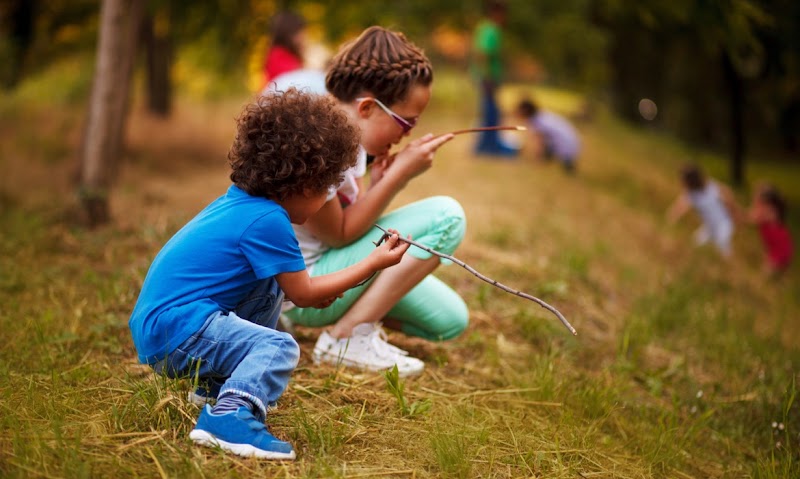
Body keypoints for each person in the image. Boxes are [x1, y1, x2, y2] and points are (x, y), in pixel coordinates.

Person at [127, 89, 411, 460]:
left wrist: (306, 291)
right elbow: (306, 293)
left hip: (166, 325)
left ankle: (215, 390)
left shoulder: (244, 203)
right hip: (177, 328)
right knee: (278, 346)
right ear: (307, 185)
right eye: (328, 189)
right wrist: (372, 263)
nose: (326, 201)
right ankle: (228, 418)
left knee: (270, 288)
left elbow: (292, 289)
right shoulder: (269, 220)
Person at [282, 26, 469, 377]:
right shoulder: (321, 145)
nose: (407, 133)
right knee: (447, 216)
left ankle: (356, 321)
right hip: (307, 288)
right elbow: (339, 235)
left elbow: (340, 219)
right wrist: (399, 176)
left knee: (449, 320)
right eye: (405, 122)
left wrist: (378, 183)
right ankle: (347, 337)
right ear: (367, 107)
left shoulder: (351, 141)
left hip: (331, 274)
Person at [470, 0, 518, 157]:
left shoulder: (484, 27)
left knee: (490, 111)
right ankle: (488, 147)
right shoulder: (491, 29)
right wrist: (486, 77)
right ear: (498, 13)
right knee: (491, 113)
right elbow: (483, 53)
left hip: (486, 78)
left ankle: (487, 145)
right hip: (488, 79)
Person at [667, 164, 738, 258]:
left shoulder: (710, 186)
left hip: (723, 225)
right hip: (709, 227)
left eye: (683, 180)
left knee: (722, 247)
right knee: (695, 245)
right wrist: (672, 217)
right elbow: (680, 206)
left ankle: (729, 263)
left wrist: (734, 212)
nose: (682, 183)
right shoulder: (692, 194)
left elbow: (727, 193)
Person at [516, 98, 581, 173]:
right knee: (549, 142)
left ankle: (561, 163)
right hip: (574, 143)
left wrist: (537, 159)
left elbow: (540, 142)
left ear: (525, 110)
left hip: (566, 147)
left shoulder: (537, 121)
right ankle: (555, 160)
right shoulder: (543, 115)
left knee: (546, 144)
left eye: (519, 110)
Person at [747, 183, 793, 276]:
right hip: (774, 246)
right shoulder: (766, 211)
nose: (755, 204)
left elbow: (751, 218)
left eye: (757, 201)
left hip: (780, 248)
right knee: (768, 264)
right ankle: (781, 272)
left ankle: (780, 273)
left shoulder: (769, 213)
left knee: (765, 272)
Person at [262, 11, 306, 88]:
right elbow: (293, 79)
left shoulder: (290, 55)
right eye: (299, 33)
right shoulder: (277, 55)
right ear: (288, 34)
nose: (303, 37)